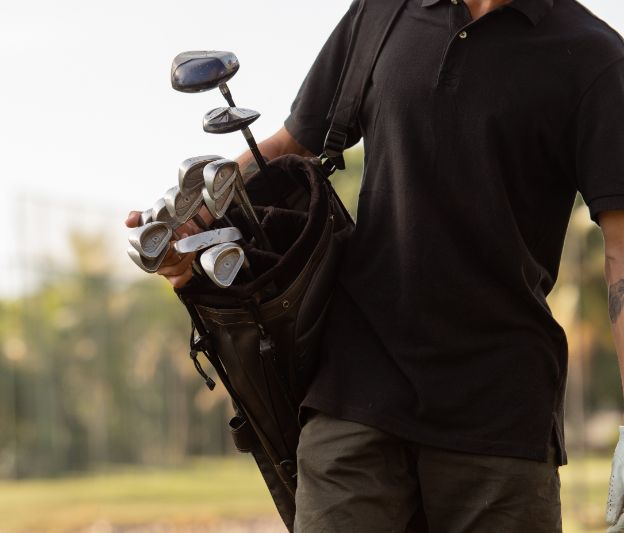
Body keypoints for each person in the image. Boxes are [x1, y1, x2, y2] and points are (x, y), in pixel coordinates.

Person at [126, 0, 624, 530]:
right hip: (357, 386)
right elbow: (292, 143)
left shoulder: (595, 58)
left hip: (500, 414)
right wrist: (191, 223)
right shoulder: (384, 11)